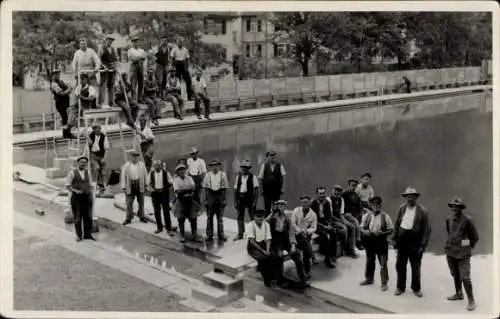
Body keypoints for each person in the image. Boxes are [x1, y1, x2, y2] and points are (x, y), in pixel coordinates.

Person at [393, 187, 431, 297]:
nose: (410, 198)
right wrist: (395, 240)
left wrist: (422, 246)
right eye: (407, 196)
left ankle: (416, 288)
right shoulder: (401, 208)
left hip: (415, 241)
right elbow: (396, 224)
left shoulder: (423, 211)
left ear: (416, 197)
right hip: (402, 240)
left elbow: (427, 230)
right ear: (405, 197)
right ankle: (400, 287)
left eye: (412, 196)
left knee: (415, 266)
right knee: (400, 265)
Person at [444, 197, 479, 311]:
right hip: (450, 251)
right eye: (452, 206)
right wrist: (452, 244)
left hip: (463, 253)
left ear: (461, 208)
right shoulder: (448, 219)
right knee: (455, 273)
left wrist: (466, 247)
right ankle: (459, 293)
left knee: (465, 276)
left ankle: (471, 300)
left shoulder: (467, 220)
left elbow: (474, 237)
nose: (454, 208)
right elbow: (449, 233)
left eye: (457, 206)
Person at [267, 200, 308, 289]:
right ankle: (280, 279)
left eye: (282, 206)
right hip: (275, 241)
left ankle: (303, 278)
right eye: (279, 206)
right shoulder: (272, 218)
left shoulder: (287, 219)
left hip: (285, 240)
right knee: (279, 256)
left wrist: (293, 245)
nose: (281, 208)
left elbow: (291, 233)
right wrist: (271, 214)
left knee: (296, 255)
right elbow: (264, 225)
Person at [359, 196, 393, 291]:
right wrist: (365, 232)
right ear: (371, 205)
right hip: (370, 242)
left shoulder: (386, 216)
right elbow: (361, 227)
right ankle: (369, 279)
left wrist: (383, 233)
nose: (375, 206)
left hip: (381, 242)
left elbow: (391, 229)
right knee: (370, 261)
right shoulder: (366, 216)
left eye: (377, 205)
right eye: (373, 205)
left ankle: (384, 283)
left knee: (383, 263)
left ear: (381, 206)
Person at [65, 156, 95, 241]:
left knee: (88, 216)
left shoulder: (87, 173)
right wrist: (75, 191)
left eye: (85, 162)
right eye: (82, 162)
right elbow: (67, 186)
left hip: (87, 197)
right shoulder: (72, 173)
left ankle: (88, 234)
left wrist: (91, 192)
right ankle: (79, 235)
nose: (83, 164)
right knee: (78, 217)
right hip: (77, 198)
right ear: (78, 163)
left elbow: (90, 184)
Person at [290, 196, 317, 282]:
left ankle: (307, 270)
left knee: (305, 248)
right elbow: (293, 224)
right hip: (296, 234)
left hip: (305, 235)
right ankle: (312, 257)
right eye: (303, 202)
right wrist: (300, 230)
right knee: (306, 244)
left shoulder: (313, 214)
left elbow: (314, 228)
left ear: (310, 203)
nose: (304, 204)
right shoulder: (296, 210)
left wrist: (306, 231)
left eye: (306, 202)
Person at [202, 159, 229, 242]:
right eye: (213, 165)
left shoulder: (222, 174)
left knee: (220, 217)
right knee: (209, 217)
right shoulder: (207, 175)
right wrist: (205, 199)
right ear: (211, 167)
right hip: (210, 196)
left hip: (219, 196)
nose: (215, 167)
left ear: (218, 166)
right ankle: (209, 235)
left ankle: (221, 234)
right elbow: (205, 189)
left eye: (216, 165)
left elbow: (226, 188)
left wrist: (225, 200)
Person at [246, 209, 274, 287]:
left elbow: (268, 238)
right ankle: (266, 279)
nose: (260, 219)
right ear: (254, 217)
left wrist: (267, 250)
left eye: (261, 217)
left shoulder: (266, 224)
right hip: (253, 246)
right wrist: (262, 251)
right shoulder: (250, 225)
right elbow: (251, 241)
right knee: (263, 258)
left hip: (263, 244)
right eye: (258, 217)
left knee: (272, 255)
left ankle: (273, 276)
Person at [172, 164, 200, 243]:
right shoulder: (176, 180)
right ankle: (182, 235)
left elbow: (194, 188)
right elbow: (177, 192)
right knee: (181, 219)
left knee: (193, 218)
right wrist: (188, 190)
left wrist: (184, 190)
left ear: (185, 170)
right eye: (179, 170)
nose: (181, 171)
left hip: (190, 200)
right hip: (181, 201)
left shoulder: (189, 178)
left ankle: (194, 235)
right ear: (177, 172)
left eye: (183, 169)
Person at [64, 73, 98, 139]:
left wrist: (81, 97)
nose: (82, 81)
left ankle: (69, 127)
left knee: (73, 111)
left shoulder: (90, 88)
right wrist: (79, 98)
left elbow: (90, 99)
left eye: (83, 79)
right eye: (81, 79)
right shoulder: (78, 87)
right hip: (78, 106)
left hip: (86, 107)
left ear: (86, 80)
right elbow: (77, 97)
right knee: (69, 109)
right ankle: (69, 128)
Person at [310, 188, 337, 268]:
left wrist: (329, 224)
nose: (322, 195)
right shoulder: (313, 203)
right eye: (320, 193)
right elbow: (313, 219)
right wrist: (324, 226)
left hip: (324, 221)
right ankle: (327, 258)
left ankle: (332, 255)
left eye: (323, 193)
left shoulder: (327, 202)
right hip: (315, 223)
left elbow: (329, 215)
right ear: (317, 194)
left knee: (333, 233)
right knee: (325, 236)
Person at [233, 160, 260, 240]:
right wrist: (235, 201)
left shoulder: (253, 177)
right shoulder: (238, 176)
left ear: (249, 168)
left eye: (246, 168)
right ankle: (240, 234)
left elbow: (257, 190)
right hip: (240, 198)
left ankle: (255, 234)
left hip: (249, 198)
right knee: (240, 216)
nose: (244, 169)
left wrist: (255, 202)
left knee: (252, 216)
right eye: (243, 167)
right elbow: (235, 190)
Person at [120, 151, 148, 225]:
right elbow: (123, 176)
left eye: (136, 157)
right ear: (130, 157)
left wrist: (146, 185)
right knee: (129, 203)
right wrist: (124, 187)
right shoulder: (126, 165)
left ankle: (141, 216)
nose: (135, 158)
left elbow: (145, 175)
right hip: (130, 185)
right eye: (133, 156)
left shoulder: (142, 165)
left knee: (141, 202)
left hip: (140, 184)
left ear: (138, 157)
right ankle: (128, 218)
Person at [330, 185, 359, 257]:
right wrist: (341, 221)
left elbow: (341, 213)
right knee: (345, 228)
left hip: (339, 218)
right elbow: (331, 215)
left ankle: (351, 249)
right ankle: (344, 249)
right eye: (335, 191)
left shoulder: (341, 199)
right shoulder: (329, 200)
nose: (337, 193)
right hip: (331, 220)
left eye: (339, 191)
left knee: (352, 226)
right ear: (332, 191)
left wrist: (344, 221)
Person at [148, 160, 176, 236]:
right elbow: (147, 183)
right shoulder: (151, 173)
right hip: (155, 195)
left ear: (161, 165)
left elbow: (172, 181)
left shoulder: (166, 173)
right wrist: (151, 189)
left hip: (164, 194)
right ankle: (159, 228)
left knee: (166, 212)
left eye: (158, 165)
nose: (157, 167)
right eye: (155, 165)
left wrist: (168, 186)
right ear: (154, 166)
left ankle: (169, 229)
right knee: (157, 212)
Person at [258, 149, 286, 215]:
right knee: (267, 208)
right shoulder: (264, 166)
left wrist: (282, 188)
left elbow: (283, 177)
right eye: (270, 156)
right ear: (268, 157)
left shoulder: (280, 166)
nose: (272, 158)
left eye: (274, 156)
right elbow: (260, 178)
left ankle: (275, 223)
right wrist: (261, 189)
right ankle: (267, 223)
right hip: (267, 190)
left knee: (276, 207)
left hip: (277, 190)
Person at [88, 124, 109, 194]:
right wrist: (86, 135)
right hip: (93, 155)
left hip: (101, 155)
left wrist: (104, 158)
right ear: (94, 130)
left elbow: (106, 148)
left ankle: (101, 185)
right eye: (97, 129)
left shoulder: (103, 136)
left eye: (100, 129)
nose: (99, 131)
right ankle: (97, 184)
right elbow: (89, 143)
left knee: (103, 171)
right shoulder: (90, 136)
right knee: (96, 168)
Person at [98, 35, 119, 106]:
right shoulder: (102, 48)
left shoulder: (113, 49)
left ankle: (111, 102)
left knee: (112, 86)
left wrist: (115, 65)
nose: (110, 42)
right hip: (104, 70)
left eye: (111, 41)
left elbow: (116, 59)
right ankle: (101, 102)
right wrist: (103, 66)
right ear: (106, 40)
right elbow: (99, 59)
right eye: (109, 40)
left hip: (112, 70)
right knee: (103, 86)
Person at [128, 36, 147, 102]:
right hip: (134, 67)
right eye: (135, 42)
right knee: (133, 83)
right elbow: (133, 59)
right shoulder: (130, 50)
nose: (136, 43)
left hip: (141, 67)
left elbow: (144, 57)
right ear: (132, 43)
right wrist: (140, 57)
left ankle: (140, 98)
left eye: (137, 42)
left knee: (141, 83)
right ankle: (133, 98)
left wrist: (138, 57)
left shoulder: (141, 50)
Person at [155, 34, 170, 99]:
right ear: (161, 41)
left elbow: (169, 58)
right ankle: (159, 95)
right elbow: (154, 56)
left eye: (165, 41)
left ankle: (164, 95)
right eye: (163, 40)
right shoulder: (158, 48)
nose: (164, 42)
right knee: (159, 81)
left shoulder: (169, 48)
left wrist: (168, 65)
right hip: (159, 66)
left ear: (167, 41)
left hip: (165, 66)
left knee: (165, 81)